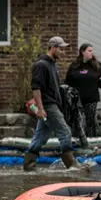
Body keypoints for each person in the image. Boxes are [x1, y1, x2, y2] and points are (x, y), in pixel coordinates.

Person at [23, 36, 80, 171]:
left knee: (40, 137)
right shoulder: (41, 65)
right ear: (53, 47)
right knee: (65, 132)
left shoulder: (53, 64)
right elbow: (36, 88)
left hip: (51, 105)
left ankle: (28, 166)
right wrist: (41, 109)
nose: (63, 52)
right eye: (61, 48)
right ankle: (72, 166)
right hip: (48, 106)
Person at [64, 43, 101, 138]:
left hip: (91, 99)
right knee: (78, 121)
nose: (91, 53)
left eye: (92, 51)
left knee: (90, 122)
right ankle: (77, 140)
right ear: (82, 52)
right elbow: (67, 82)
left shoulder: (96, 65)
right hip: (77, 100)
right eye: (89, 51)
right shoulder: (74, 66)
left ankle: (91, 140)